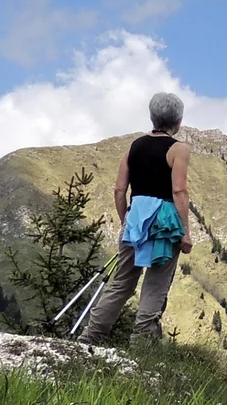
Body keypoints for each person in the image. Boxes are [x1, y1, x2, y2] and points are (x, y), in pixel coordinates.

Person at [79, 92, 193, 344]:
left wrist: (125, 220)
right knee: (156, 282)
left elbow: (120, 189)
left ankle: (91, 336)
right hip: (164, 221)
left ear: (152, 117)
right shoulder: (179, 149)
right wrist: (185, 231)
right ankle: (141, 339)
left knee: (122, 281)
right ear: (179, 120)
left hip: (135, 218)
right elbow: (179, 190)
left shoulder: (134, 146)